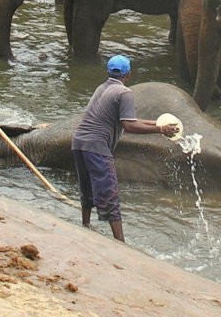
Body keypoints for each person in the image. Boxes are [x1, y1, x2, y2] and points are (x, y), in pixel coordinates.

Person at [71, 54, 180, 242]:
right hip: (97, 146)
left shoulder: (102, 88)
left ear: (108, 72)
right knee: (109, 192)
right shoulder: (125, 93)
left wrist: (158, 124)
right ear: (128, 75)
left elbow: (129, 120)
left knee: (87, 187)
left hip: (79, 143)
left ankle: (85, 225)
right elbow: (129, 126)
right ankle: (120, 242)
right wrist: (160, 129)